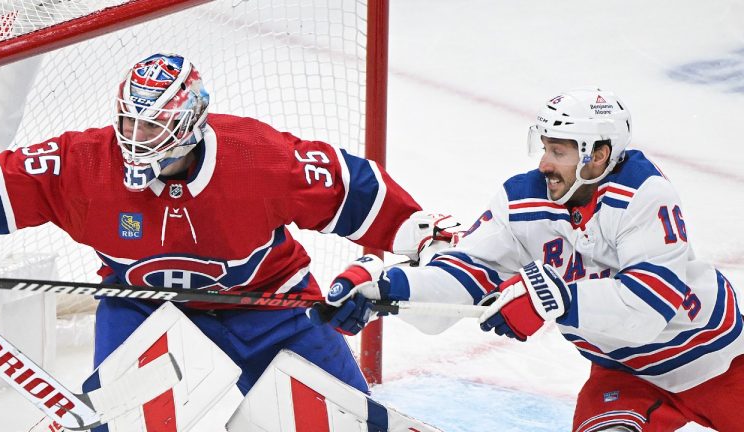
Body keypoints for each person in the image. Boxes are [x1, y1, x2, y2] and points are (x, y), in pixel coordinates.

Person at [0, 53, 456, 407]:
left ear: (189, 124)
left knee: (343, 418)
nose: (135, 138)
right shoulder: (83, 164)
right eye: (129, 121)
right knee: (121, 419)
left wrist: (424, 238)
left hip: (270, 305)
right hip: (143, 309)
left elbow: (353, 190)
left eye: (153, 125)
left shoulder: (258, 158)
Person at [315, 88, 744, 431]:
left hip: (717, 359)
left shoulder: (643, 194)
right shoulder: (522, 200)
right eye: (545, 149)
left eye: (559, 152)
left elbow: (649, 307)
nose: (544, 164)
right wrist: (388, 289)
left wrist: (556, 299)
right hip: (623, 374)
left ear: (597, 155)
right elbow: (465, 273)